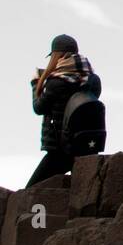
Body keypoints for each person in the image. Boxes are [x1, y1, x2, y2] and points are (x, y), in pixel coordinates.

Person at [27, 34, 97, 188]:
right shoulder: (92, 79)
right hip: (85, 145)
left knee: (30, 192)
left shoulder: (57, 82)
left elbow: (39, 108)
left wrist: (35, 84)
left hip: (59, 149)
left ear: (57, 56)